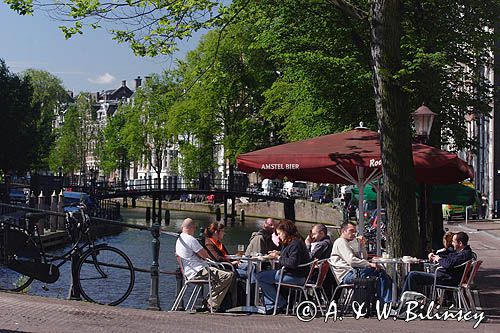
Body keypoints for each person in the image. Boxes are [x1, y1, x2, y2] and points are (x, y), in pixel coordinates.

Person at [175, 218, 235, 312]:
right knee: (228, 275)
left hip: (189, 272)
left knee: (220, 276)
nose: (195, 230)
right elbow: (204, 255)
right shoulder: (190, 239)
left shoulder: (180, 240)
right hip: (198, 272)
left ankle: (211, 302)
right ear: (191, 227)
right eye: (194, 227)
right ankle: (211, 303)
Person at [256, 219, 311, 314]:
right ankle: (272, 305)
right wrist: (279, 253)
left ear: (285, 232)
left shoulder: (295, 243)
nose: (279, 237)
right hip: (297, 274)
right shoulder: (294, 241)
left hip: (295, 276)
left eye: (280, 234)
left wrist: (278, 257)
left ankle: (277, 304)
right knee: (265, 276)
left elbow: (293, 263)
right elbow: (292, 256)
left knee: (260, 276)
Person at [330, 221, 392, 303]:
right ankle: (387, 302)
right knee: (380, 272)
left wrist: (362, 246)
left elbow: (363, 258)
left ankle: (382, 302)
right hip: (347, 275)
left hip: (353, 272)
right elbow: (352, 261)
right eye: (351, 231)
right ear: (343, 231)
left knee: (380, 274)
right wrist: (369, 264)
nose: (354, 234)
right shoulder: (341, 242)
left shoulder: (348, 243)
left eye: (355, 231)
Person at [402, 231, 474, 294]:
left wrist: (438, 259)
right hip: (446, 277)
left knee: (412, 275)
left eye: (453, 242)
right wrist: (435, 256)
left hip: (446, 279)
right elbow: (449, 257)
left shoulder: (463, 255)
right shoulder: (463, 252)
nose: (452, 243)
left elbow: (448, 264)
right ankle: (407, 300)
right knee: (409, 276)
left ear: (460, 243)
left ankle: (405, 302)